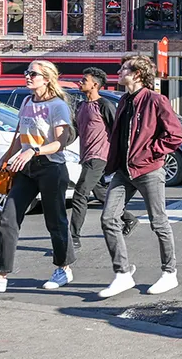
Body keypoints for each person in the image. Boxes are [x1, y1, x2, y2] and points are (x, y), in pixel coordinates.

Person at [0, 61, 74, 292]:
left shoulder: (58, 106)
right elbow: (19, 136)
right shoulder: (27, 101)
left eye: (32, 73)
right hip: (25, 167)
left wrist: (34, 151)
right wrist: (4, 159)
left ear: (46, 79)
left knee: (55, 221)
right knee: (8, 219)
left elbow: (60, 143)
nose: (27, 76)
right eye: (27, 72)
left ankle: (63, 269)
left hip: (50, 167)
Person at [97, 55, 182, 298]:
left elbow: (176, 135)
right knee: (108, 218)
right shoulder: (124, 100)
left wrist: (152, 151)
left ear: (137, 74)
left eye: (124, 68)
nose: (119, 71)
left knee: (159, 223)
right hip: (123, 171)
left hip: (148, 170)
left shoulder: (156, 100)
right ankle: (123, 273)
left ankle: (170, 273)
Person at [69, 68, 137, 250]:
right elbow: (75, 132)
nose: (80, 82)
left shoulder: (104, 105)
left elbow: (118, 130)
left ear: (95, 85)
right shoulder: (81, 106)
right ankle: (128, 218)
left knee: (80, 194)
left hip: (100, 156)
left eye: (85, 79)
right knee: (100, 193)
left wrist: (122, 156)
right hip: (86, 156)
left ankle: (73, 238)